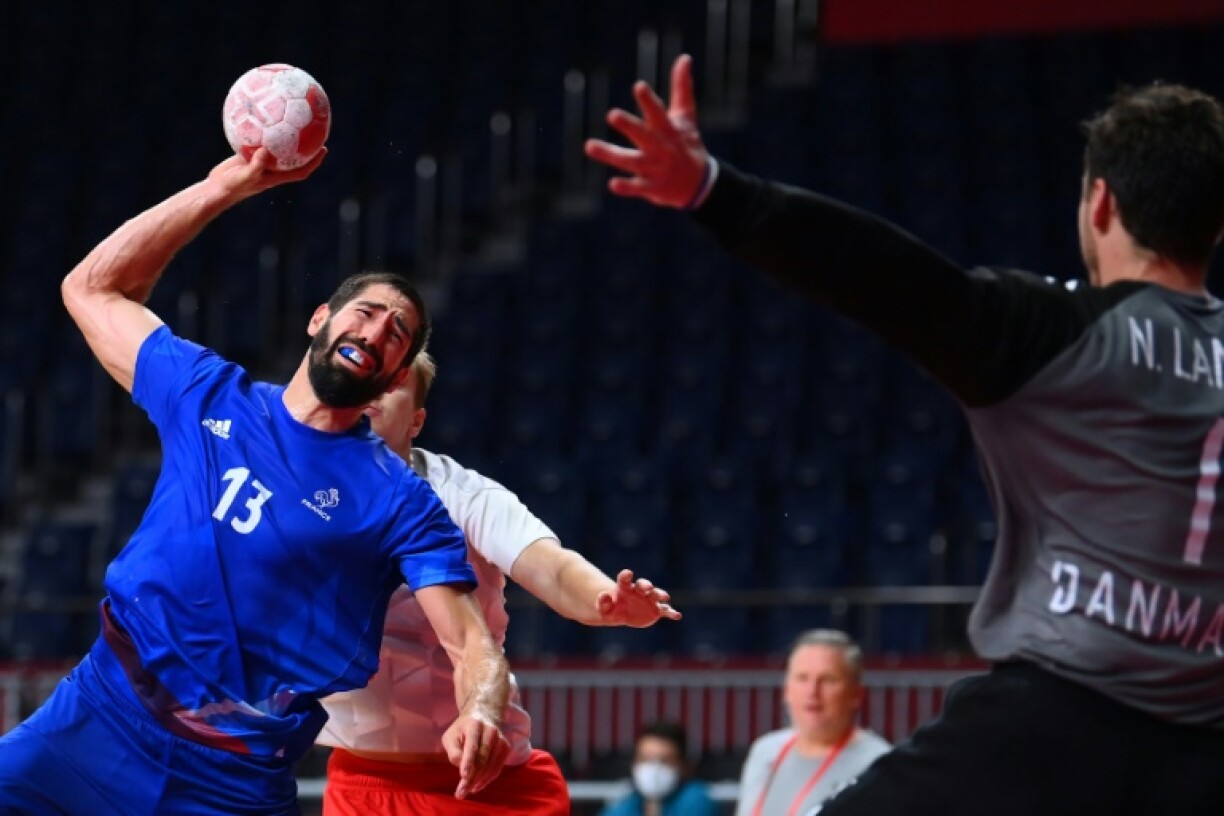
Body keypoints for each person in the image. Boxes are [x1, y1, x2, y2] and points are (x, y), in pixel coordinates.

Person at [585, 55, 1224, 814]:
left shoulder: (1058, 333)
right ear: (1216, 223)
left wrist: (714, 191)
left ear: (1099, 204)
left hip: (1053, 720)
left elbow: (889, 277)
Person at [0, 148, 513, 815]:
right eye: (366, 311)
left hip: (231, 780)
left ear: (394, 378)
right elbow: (92, 288)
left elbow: (472, 642)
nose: (378, 329)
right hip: (96, 721)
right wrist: (224, 186)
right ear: (319, 320)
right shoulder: (209, 394)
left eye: (399, 334)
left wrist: (482, 708)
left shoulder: (400, 500)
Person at [317, 349, 683, 815]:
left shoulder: (467, 496)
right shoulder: (291, 495)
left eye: (393, 384)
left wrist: (602, 597)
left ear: (417, 420)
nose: (375, 392)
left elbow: (549, 566)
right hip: (364, 789)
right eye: (365, 379)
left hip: (491, 787)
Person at [734, 630, 889, 816]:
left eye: (828, 680)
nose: (812, 692)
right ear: (786, 690)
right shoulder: (765, 751)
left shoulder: (877, 765)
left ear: (855, 694)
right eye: (802, 678)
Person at [600, 721, 719, 816]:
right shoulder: (627, 802)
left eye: (664, 761)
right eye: (645, 759)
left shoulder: (696, 800)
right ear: (633, 764)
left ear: (684, 766)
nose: (654, 769)